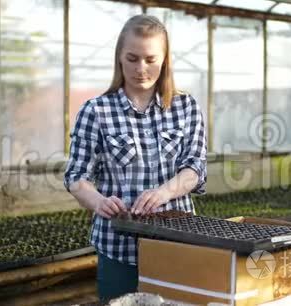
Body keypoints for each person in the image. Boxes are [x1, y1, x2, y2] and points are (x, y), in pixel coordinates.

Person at [64, 14, 207, 302]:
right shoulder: (96, 111)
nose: (141, 68)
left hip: (177, 244)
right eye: (132, 58)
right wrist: (99, 201)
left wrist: (165, 191)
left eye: (150, 59)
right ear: (119, 57)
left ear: (165, 60)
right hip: (118, 248)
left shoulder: (185, 107)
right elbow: (76, 176)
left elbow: (195, 167)